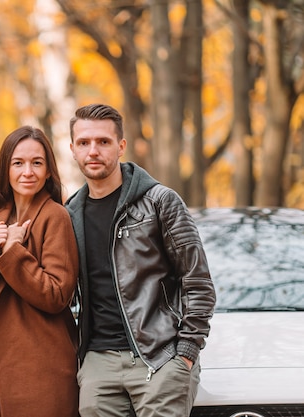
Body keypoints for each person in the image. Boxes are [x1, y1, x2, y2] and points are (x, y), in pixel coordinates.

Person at [64, 103, 216, 417]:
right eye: (84, 143)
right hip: (98, 365)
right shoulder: (69, 215)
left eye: (103, 142)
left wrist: (185, 353)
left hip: (158, 358)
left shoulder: (160, 201)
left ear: (121, 147)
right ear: (72, 149)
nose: (93, 150)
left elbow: (198, 283)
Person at [0, 125, 80, 417]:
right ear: (5, 169)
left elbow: (57, 295)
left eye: (37, 163)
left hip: (42, 368)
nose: (28, 172)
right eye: (18, 163)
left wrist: (13, 253)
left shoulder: (56, 216)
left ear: (49, 171)